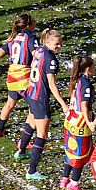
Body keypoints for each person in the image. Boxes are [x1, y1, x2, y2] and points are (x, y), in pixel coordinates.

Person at [18, 28, 67, 182]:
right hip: (39, 97)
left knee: (31, 122)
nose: (59, 47)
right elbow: (52, 85)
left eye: (60, 44)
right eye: (56, 44)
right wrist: (63, 105)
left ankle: (20, 152)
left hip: (31, 93)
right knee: (42, 135)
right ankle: (31, 171)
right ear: (47, 42)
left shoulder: (39, 50)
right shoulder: (51, 59)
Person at [0, 13, 36, 141]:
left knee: (10, 103)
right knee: (34, 108)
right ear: (28, 26)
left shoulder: (13, 38)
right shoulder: (30, 38)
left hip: (12, 77)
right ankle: (24, 141)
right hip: (24, 78)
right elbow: (36, 55)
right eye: (33, 21)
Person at [57, 54, 96, 190]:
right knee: (80, 154)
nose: (94, 68)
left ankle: (64, 179)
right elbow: (84, 106)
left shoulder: (77, 80)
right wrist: (89, 123)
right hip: (80, 122)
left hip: (70, 119)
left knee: (70, 151)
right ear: (87, 69)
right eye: (93, 66)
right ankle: (74, 184)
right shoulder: (86, 84)